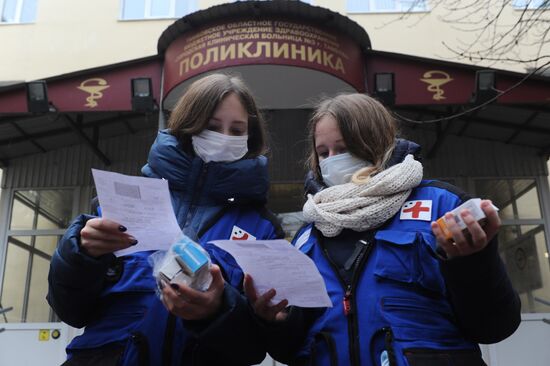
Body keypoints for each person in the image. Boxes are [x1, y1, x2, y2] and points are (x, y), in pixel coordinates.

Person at [245, 93, 521, 366]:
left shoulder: (441, 206)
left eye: (343, 148)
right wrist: (275, 322)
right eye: (323, 153)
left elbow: (494, 326)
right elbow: (292, 348)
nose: (331, 160)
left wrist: (474, 262)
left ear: (375, 143)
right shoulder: (308, 234)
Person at [47, 73, 284, 366]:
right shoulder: (124, 202)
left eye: (236, 131)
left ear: (250, 138)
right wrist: (80, 254)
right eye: (211, 127)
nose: (224, 138)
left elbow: (253, 349)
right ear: (187, 126)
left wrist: (218, 310)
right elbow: (69, 310)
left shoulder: (262, 228)